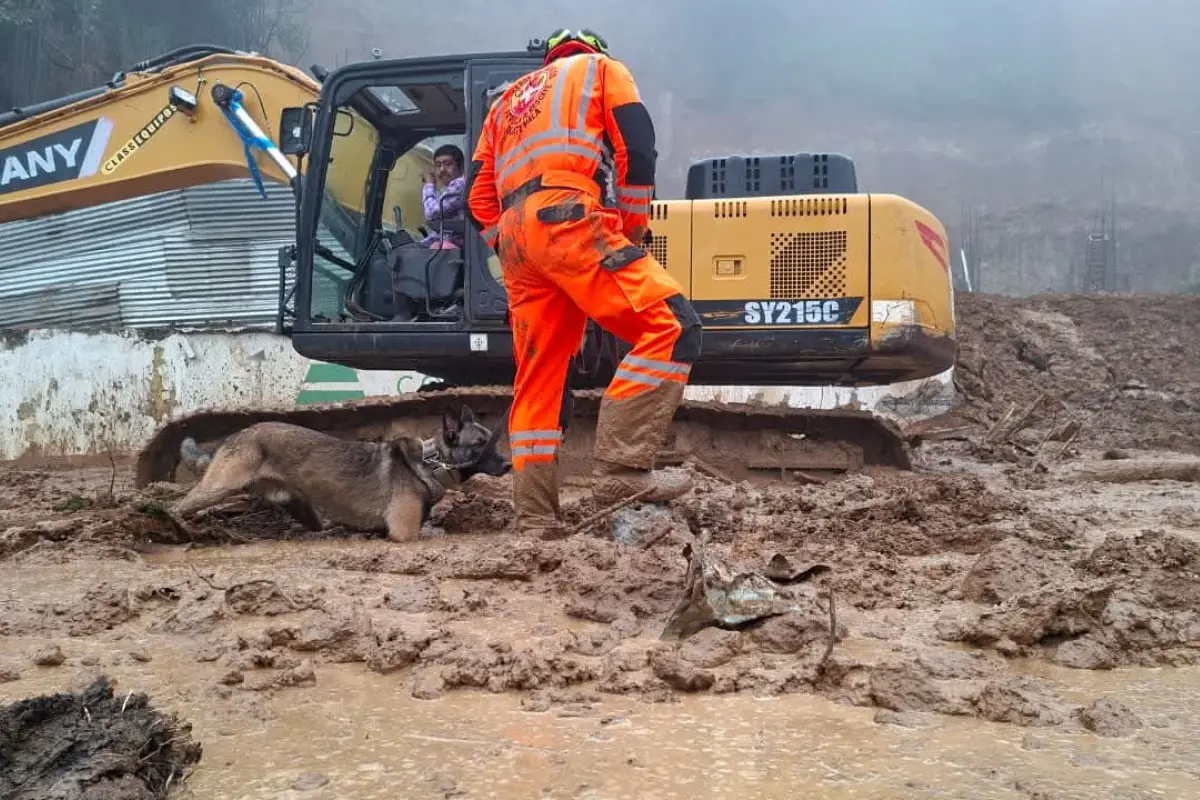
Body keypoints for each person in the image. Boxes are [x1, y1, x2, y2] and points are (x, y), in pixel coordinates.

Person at [466, 28, 703, 539]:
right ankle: (621, 472)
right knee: (672, 325)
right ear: (593, 49)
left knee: (539, 378)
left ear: (550, 57)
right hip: (567, 217)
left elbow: (476, 197)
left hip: (517, 242)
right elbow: (637, 151)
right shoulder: (601, 70)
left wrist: (505, 241)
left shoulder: (505, 102)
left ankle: (534, 519)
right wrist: (631, 230)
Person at [420, 143, 467, 249]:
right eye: (438, 165)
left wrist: (429, 184)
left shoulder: (460, 184)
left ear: (461, 166)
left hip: (455, 247)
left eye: (448, 164)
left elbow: (432, 213)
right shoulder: (446, 189)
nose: (442, 169)